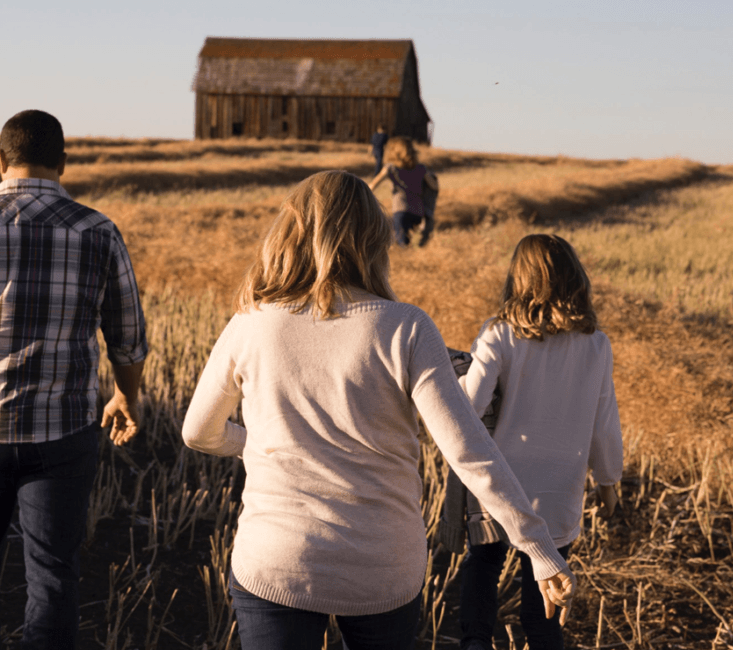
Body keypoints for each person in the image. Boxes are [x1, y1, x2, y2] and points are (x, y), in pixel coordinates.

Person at [181, 171, 576, 650]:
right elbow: (469, 452)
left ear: (291, 233)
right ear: (374, 238)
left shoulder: (252, 323)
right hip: (382, 569)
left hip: (276, 561)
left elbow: (199, 431)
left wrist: (255, 446)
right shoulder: (406, 329)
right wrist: (538, 547)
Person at [0, 109, 148, 650]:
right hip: (64, 436)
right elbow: (128, 336)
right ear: (64, 163)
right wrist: (125, 396)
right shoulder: (98, 230)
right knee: (55, 573)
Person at [453, 234, 623, 650]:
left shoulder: (500, 334)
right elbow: (604, 421)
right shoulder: (596, 344)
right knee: (544, 593)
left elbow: (468, 405)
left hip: (503, 481)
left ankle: (474, 642)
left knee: (484, 562)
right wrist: (608, 481)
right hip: (560, 485)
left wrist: (450, 374)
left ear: (519, 279)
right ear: (575, 279)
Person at [369, 137, 439, 247]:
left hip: (400, 210)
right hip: (418, 213)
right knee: (415, 246)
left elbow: (372, 185)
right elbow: (434, 187)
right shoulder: (421, 168)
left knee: (401, 246)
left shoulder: (391, 168)